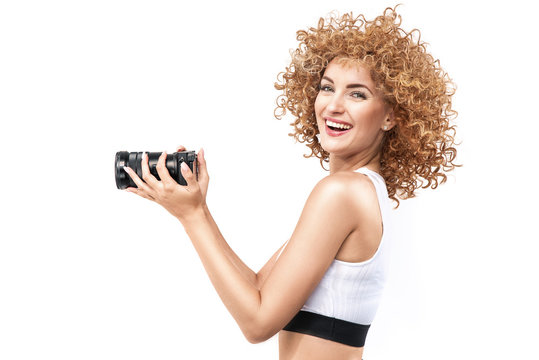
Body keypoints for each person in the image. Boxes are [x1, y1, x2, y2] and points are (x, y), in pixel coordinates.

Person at [122, 4, 458, 359]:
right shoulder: (361, 190)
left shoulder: (341, 193)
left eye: (357, 94)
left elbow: (257, 323)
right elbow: (257, 291)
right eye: (327, 88)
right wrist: (198, 209)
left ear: (391, 116)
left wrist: (191, 219)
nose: (334, 106)